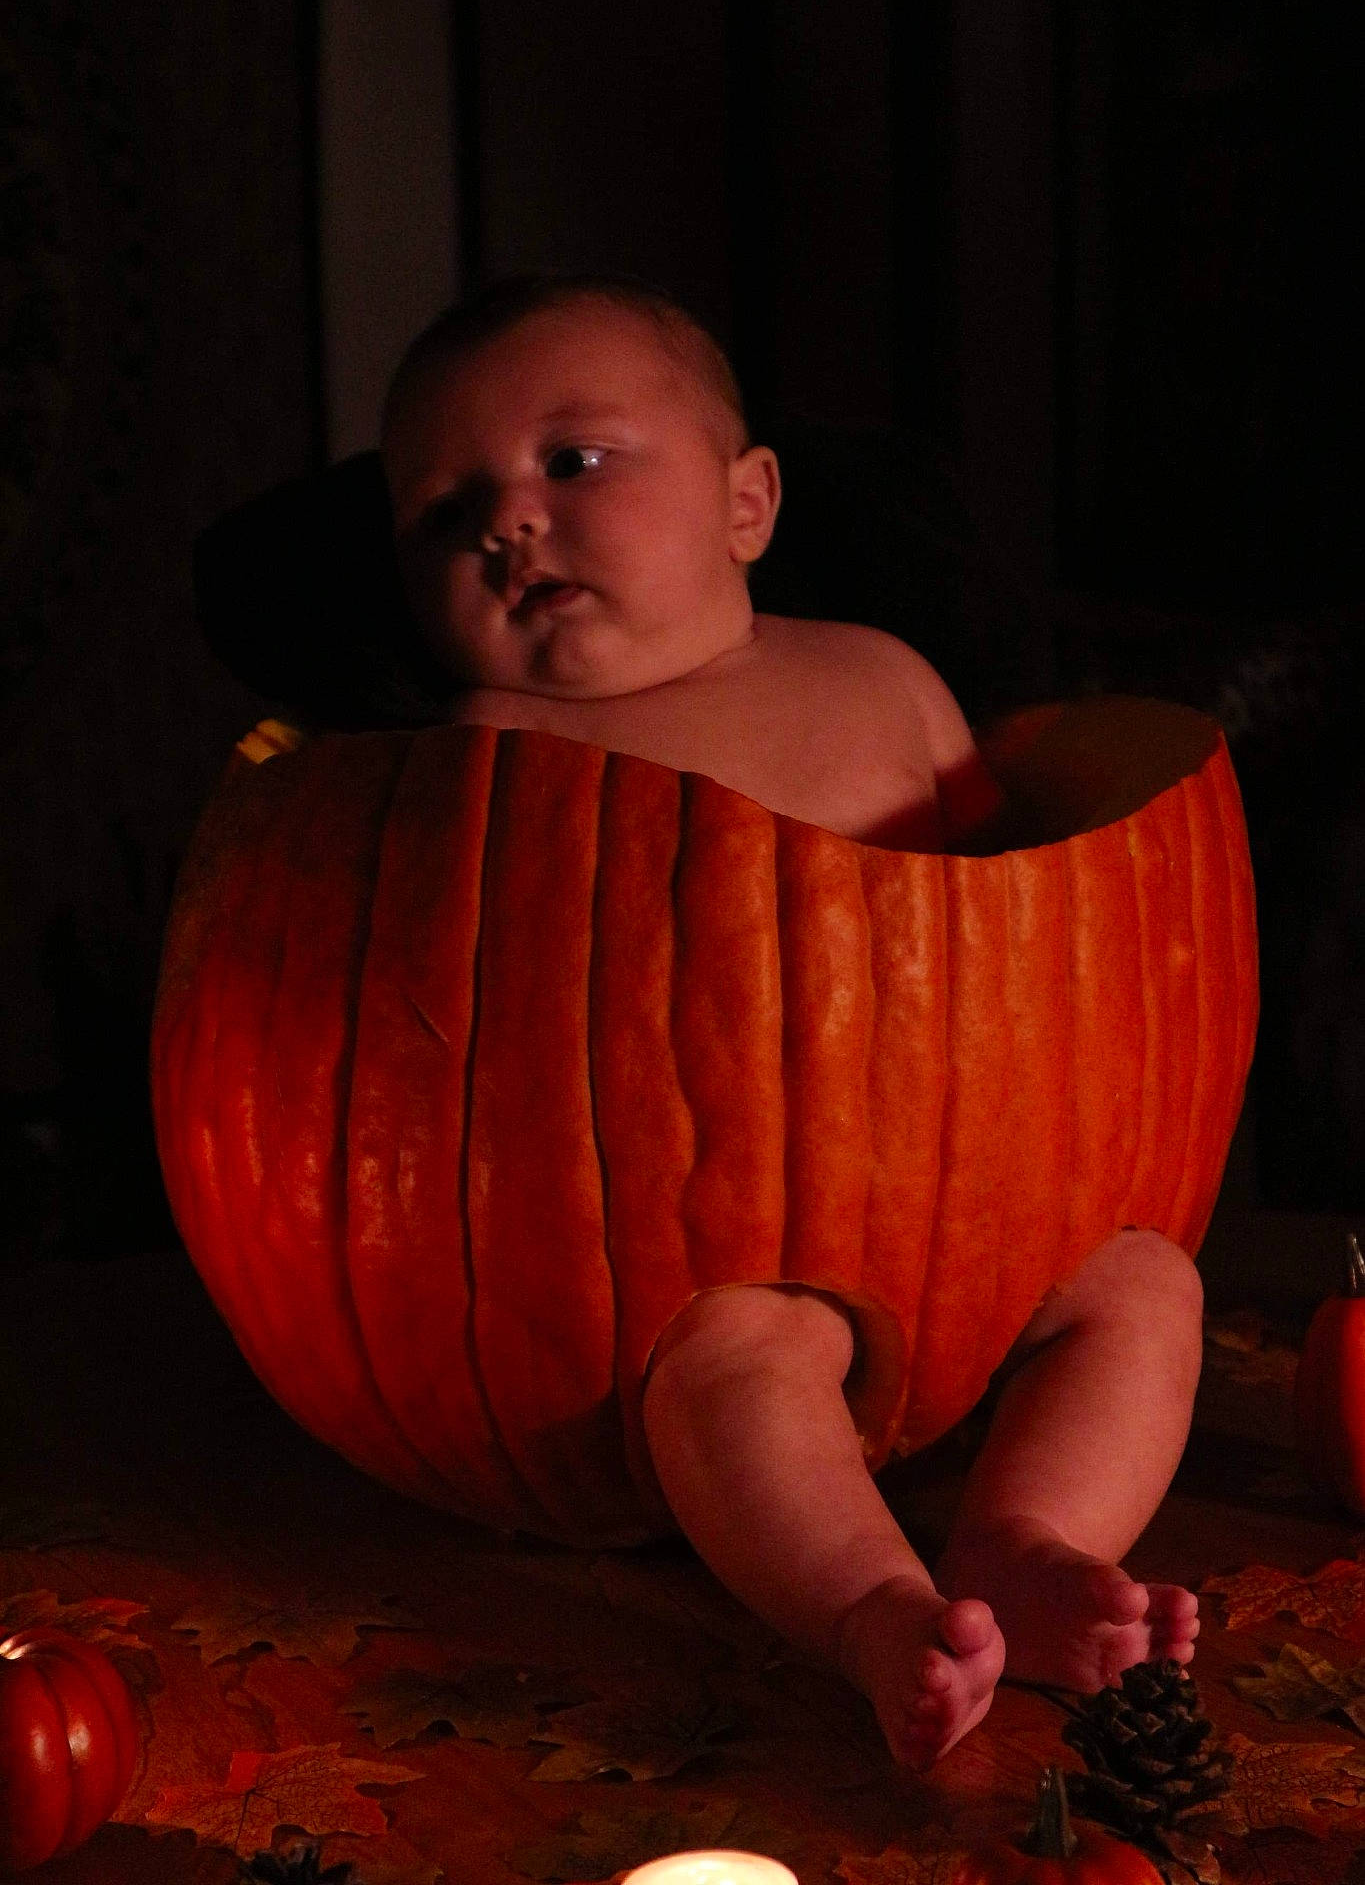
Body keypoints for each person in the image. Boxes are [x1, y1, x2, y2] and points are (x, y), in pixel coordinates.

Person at [380, 273, 1204, 1772]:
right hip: (705, 1241)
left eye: (573, 460)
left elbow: (1031, 918)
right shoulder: (494, 760)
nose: (509, 524)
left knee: (1144, 1283)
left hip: (970, 1187)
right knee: (729, 1370)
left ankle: (1029, 1536)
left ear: (746, 503)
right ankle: (869, 1608)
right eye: (448, 511)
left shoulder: (878, 683)